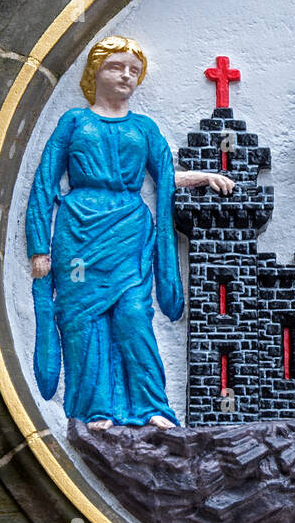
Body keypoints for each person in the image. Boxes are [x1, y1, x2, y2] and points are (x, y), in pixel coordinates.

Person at [25, 35, 234, 430]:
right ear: (96, 72)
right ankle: (95, 409)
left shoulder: (144, 127)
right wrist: (39, 246)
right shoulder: (74, 122)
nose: (126, 76)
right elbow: (43, 183)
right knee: (83, 322)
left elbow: (164, 178)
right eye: (116, 67)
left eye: (134, 71)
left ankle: (152, 405)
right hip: (80, 233)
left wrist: (205, 177)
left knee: (134, 315)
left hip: (129, 230)